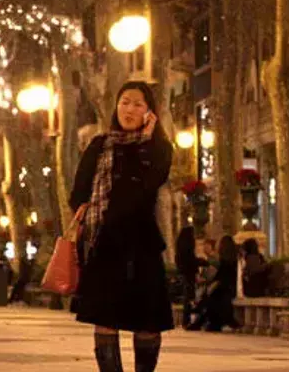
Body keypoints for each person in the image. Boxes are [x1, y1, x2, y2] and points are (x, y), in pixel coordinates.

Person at [68, 81, 174, 372]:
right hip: (104, 244)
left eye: (138, 104)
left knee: (148, 322)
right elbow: (78, 194)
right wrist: (92, 215)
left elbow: (150, 182)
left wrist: (146, 142)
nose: (129, 109)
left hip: (142, 245)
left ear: (149, 111)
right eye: (124, 101)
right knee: (105, 320)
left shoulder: (159, 148)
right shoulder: (100, 145)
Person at [189, 236, 240, 332]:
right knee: (211, 297)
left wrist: (213, 285)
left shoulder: (227, 261)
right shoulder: (227, 259)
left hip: (228, 288)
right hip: (225, 287)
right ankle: (211, 323)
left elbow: (222, 278)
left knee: (212, 297)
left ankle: (205, 323)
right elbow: (220, 277)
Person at [175, 226, 206, 328]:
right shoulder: (187, 250)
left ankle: (186, 320)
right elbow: (192, 262)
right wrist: (203, 262)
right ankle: (188, 320)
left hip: (184, 274)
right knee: (189, 297)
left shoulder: (179, 249)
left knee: (187, 297)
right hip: (189, 275)